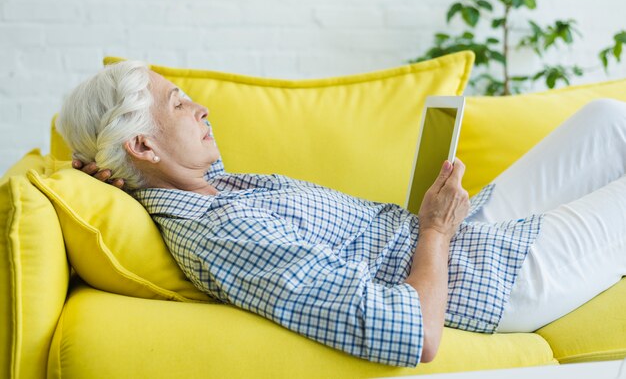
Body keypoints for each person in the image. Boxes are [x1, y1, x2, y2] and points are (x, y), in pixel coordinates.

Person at [57, 60, 626, 367]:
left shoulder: (208, 186)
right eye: (179, 104)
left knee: (606, 119)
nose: (200, 106)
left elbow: (154, 165)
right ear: (144, 147)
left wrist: (120, 173)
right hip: (485, 278)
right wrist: (435, 226)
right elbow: (413, 334)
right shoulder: (222, 233)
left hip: (458, 237)